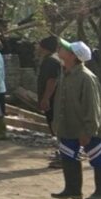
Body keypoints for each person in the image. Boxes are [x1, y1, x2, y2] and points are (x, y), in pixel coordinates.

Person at [50, 39, 101, 199]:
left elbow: (92, 107)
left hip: (88, 127)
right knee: (69, 157)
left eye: (64, 48)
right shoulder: (65, 74)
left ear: (73, 55)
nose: (60, 49)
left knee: (98, 159)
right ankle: (73, 189)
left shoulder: (86, 77)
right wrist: (57, 124)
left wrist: (88, 130)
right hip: (69, 126)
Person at [36, 35, 64, 168]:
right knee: (55, 127)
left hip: (53, 100)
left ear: (43, 47)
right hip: (53, 98)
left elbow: (52, 81)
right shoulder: (51, 59)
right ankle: (62, 155)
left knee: (56, 127)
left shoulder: (51, 61)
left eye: (38, 45)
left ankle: (64, 156)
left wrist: (46, 98)